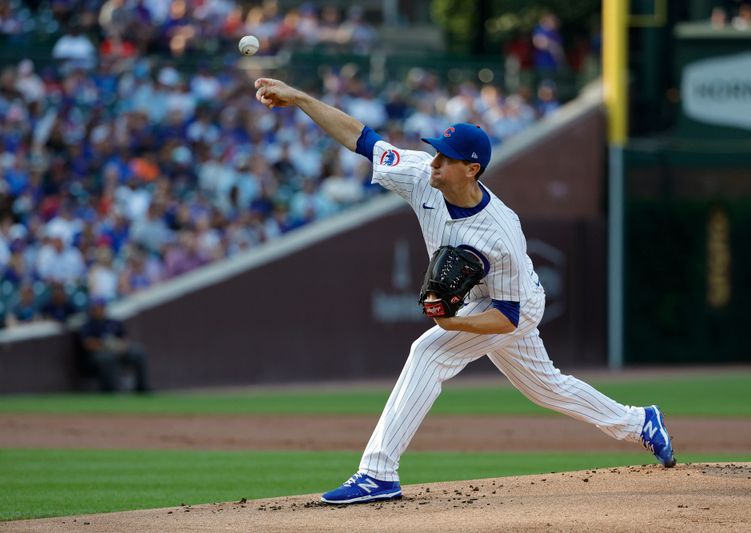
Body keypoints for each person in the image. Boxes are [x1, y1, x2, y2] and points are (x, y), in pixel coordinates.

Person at [253, 77, 676, 505]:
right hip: (485, 299)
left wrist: (453, 322)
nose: (435, 161)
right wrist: (302, 99)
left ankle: (378, 473)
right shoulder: (421, 176)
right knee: (546, 387)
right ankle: (640, 422)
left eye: (447, 157)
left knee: (429, 351)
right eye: (437, 151)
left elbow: (508, 316)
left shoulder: (500, 231)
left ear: (471, 169)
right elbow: (362, 139)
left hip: (515, 304)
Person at [78, 298, 150, 393]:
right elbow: (87, 344)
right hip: (98, 354)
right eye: (95, 309)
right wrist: (104, 345)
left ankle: (142, 387)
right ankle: (110, 390)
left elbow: (124, 338)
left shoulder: (114, 322)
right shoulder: (88, 325)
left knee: (138, 351)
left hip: (118, 351)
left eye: (100, 308)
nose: (98, 311)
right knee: (107, 358)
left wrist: (122, 346)